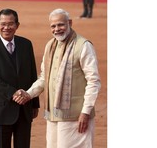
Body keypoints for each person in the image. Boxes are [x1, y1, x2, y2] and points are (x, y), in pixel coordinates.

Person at [13, 8, 101, 148]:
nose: (57, 29)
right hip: (53, 115)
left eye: (60, 24)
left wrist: (85, 112)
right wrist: (28, 94)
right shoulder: (50, 45)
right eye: (53, 26)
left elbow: (93, 81)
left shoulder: (83, 46)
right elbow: (44, 77)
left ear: (70, 23)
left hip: (75, 116)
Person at [0, 9, 40, 148]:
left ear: (17, 25)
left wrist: (34, 102)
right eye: (3, 24)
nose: (6, 27)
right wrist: (13, 93)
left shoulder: (26, 44)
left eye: (10, 24)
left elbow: (32, 74)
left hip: (24, 108)